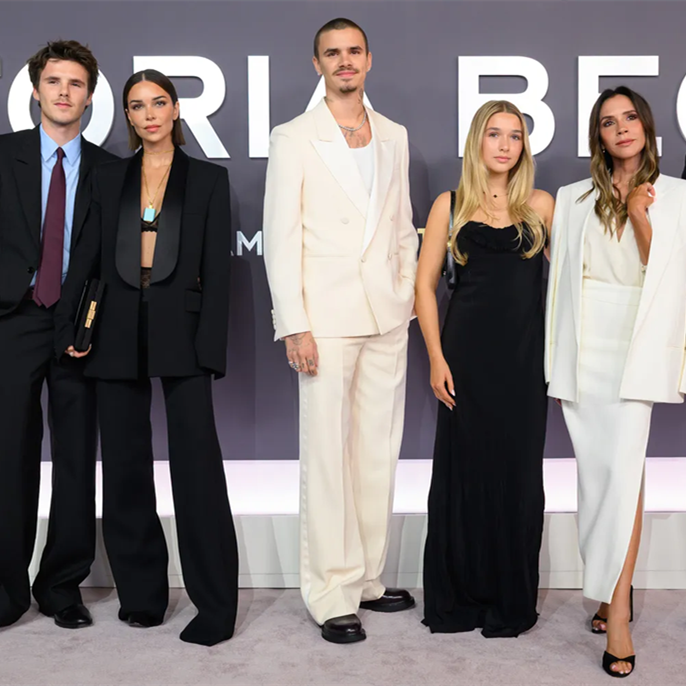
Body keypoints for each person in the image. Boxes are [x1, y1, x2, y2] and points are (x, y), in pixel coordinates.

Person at [54, 69, 238, 646]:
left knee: (197, 469)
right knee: (126, 469)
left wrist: (210, 350)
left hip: (182, 331)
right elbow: (86, 257)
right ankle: (141, 597)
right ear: (128, 117)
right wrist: (73, 327)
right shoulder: (109, 177)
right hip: (114, 329)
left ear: (176, 109)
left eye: (159, 103)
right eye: (137, 106)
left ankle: (215, 606)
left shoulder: (208, 179)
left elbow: (218, 273)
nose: (149, 114)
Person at [263, 18, 418, 644]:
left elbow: (402, 224)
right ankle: (330, 591)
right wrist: (293, 324)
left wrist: (404, 295)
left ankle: (367, 578)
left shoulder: (394, 134)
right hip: (323, 321)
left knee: (377, 451)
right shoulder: (293, 136)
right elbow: (280, 236)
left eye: (353, 51)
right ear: (317, 64)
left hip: (386, 316)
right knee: (328, 455)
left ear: (369, 59)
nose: (344, 61)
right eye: (333, 53)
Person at [546, 86, 686, 677]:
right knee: (598, 477)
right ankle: (607, 589)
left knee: (625, 475)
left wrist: (638, 214)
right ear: (598, 137)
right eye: (609, 122)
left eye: (630, 118)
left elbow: (669, 274)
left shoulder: (676, 195)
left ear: (646, 127)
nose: (621, 128)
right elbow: (562, 281)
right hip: (585, 349)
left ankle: (620, 613)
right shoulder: (572, 197)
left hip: (637, 344)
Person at [417, 100, 553, 638]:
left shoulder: (540, 206)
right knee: (465, 475)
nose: (504, 144)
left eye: (514, 136)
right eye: (494, 134)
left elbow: (573, 282)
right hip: (464, 360)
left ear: (524, 147)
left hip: (523, 363)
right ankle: (461, 596)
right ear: (477, 141)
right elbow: (424, 287)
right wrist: (436, 357)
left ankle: (509, 597)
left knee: (519, 476)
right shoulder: (448, 206)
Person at [0, 40, 117, 630]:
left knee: (75, 457)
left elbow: (110, 262)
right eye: (54, 81)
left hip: (78, 325)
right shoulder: (4, 156)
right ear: (36, 90)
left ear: (89, 97)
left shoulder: (109, 170)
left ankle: (61, 586)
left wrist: (87, 320)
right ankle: (5, 588)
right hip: (13, 319)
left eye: (75, 84)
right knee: (9, 456)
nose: (64, 92)